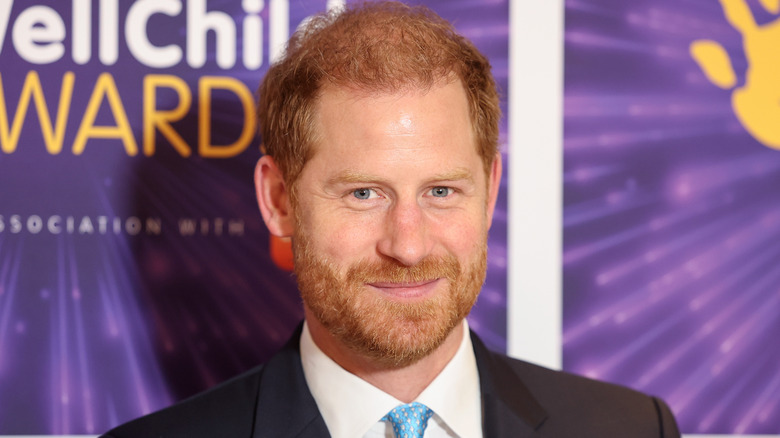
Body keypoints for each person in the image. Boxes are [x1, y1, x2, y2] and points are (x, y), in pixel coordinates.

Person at [102, 2, 680, 437]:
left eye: (442, 190)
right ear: (279, 200)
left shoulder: (631, 429)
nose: (408, 245)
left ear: (491, 191)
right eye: (363, 194)